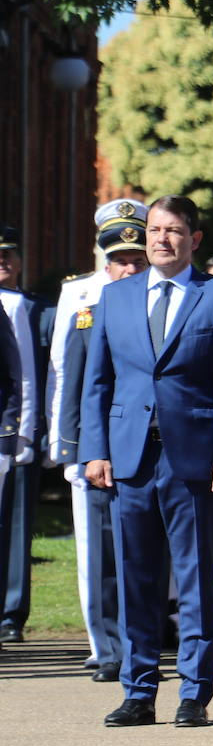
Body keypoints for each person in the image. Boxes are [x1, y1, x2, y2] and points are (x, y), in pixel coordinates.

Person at [80, 195, 213, 728]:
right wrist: (94, 449)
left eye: (174, 230)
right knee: (134, 576)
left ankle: (194, 693)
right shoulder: (115, 298)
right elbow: (97, 382)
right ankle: (138, 690)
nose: (161, 239)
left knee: (195, 576)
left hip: (193, 460)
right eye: (155, 230)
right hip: (130, 456)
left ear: (193, 240)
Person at [54, 202, 150, 681]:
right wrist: (73, 451)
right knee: (100, 559)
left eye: (137, 260)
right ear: (106, 266)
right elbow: (72, 386)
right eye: (121, 261)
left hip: (146, 451)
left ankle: (141, 644)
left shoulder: (158, 311)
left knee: (144, 552)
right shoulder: (87, 316)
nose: (129, 268)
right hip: (98, 454)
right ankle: (108, 647)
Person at [0, 224, 54, 645]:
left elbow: (33, 376)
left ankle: (11, 612)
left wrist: (28, 431)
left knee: (16, 525)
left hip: (15, 430)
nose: (2, 260)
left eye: (9, 253)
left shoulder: (35, 308)